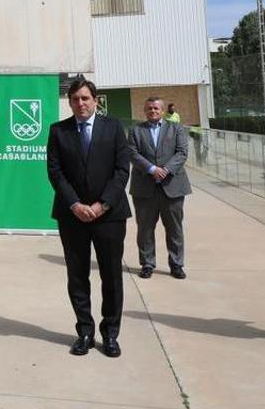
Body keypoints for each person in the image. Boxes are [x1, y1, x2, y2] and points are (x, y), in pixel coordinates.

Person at [46, 78, 131, 358]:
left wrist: (102, 204)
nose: (80, 104)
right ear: (69, 102)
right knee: (77, 276)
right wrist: (75, 204)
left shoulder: (114, 127)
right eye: (75, 99)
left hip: (109, 216)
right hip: (73, 217)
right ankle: (84, 331)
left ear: (96, 100)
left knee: (111, 276)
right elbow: (55, 172)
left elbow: (122, 170)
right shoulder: (58, 131)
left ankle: (110, 334)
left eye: (85, 98)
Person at [127, 97, 191, 280]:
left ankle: (176, 264)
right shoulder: (135, 130)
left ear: (162, 110)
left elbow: (182, 152)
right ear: (144, 111)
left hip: (172, 187)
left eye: (156, 108)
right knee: (145, 230)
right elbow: (132, 152)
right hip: (144, 188)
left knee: (174, 229)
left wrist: (166, 170)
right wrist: (152, 169)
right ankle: (147, 264)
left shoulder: (176, 128)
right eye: (149, 108)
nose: (152, 111)